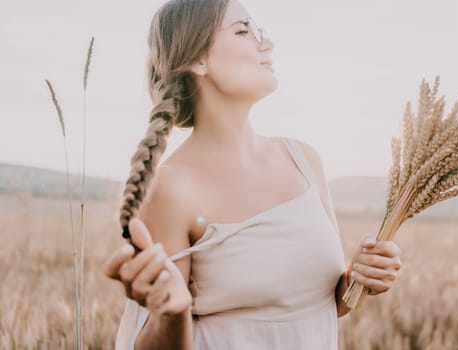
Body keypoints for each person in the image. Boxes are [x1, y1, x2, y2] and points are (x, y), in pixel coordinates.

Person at [103, 0, 403, 349]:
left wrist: (361, 275)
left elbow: (321, 303)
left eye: (258, 30)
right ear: (198, 59)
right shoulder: (172, 187)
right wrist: (172, 312)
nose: (266, 43)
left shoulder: (303, 160)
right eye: (243, 31)